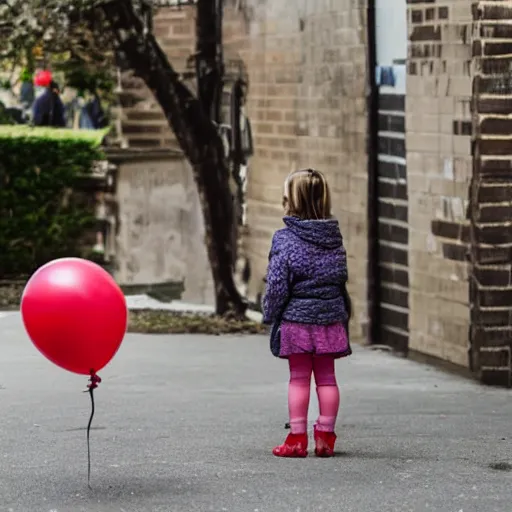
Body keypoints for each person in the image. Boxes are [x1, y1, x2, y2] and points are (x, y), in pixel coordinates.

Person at [263, 168, 352, 458]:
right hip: (330, 317)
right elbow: (340, 276)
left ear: (292, 201)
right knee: (327, 378)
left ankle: (297, 439)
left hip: (297, 320)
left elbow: (277, 284)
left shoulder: (285, 239)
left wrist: (269, 312)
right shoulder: (333, 237)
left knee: (299, 378)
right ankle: (326, 435)